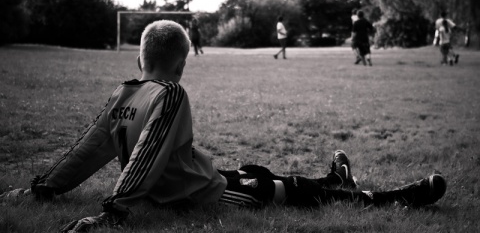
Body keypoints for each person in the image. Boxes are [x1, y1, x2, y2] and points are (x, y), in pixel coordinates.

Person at [1, 20, 446, 233]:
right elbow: (145, 156)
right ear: (182, 63)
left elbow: (90, 147)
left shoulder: (123, 92)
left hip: (203, 177)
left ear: (140, 57)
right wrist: (112, 213)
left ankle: (336, 180)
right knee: (276, 190)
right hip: (203, 193)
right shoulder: (170, 92)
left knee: (265, 178)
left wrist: (44, 188)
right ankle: (391, 198)